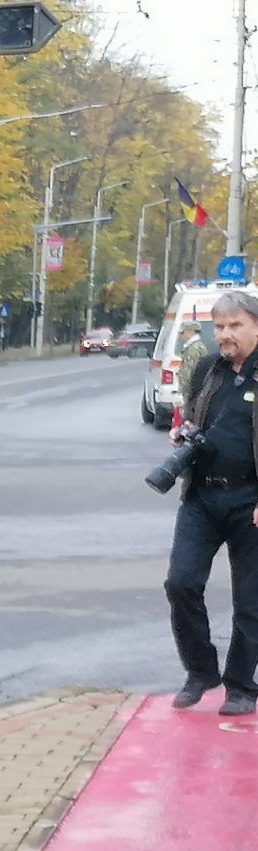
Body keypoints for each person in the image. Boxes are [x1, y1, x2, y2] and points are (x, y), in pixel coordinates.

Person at [164, 287, 258, 715]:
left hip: (249, 500)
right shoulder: (206, 369)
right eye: (220, 326)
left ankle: (241, 685)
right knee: (181, 583)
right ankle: (201, 670)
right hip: (202, 495)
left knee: (251, 600)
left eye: (235, 325)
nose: (226, 334)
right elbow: (190, 415)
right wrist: (181, 432)